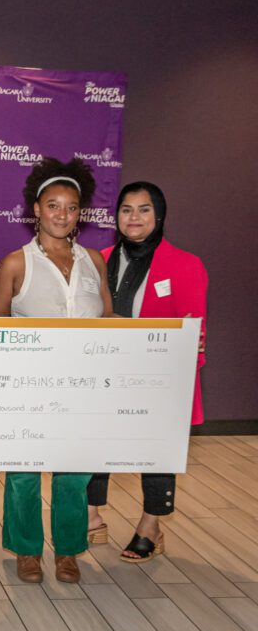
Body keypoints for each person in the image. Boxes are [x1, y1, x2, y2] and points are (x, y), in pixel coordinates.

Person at [0, 157, 112, 584]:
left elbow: (110, 322)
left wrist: (165, 339)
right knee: (24, 473)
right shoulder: (15, 264)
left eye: (71, 207)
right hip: (29, 389)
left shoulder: (94, 261)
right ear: (36, 209)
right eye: (54, 205)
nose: (62, 214)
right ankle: (27, 549)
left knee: (74, 474)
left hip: (84, 389)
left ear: (81, 213)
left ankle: (68, 550)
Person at [86, 181, 208, 562]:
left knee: (156, 452)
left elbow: (193, 333)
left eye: (143, 209)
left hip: (159, 380)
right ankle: (91, 517)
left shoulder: (185, 264)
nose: (133, 217)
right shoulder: (98, 259)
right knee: (94, 442)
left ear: (159, 215)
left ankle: (150, 526)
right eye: (126, 209)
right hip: (105, 373)